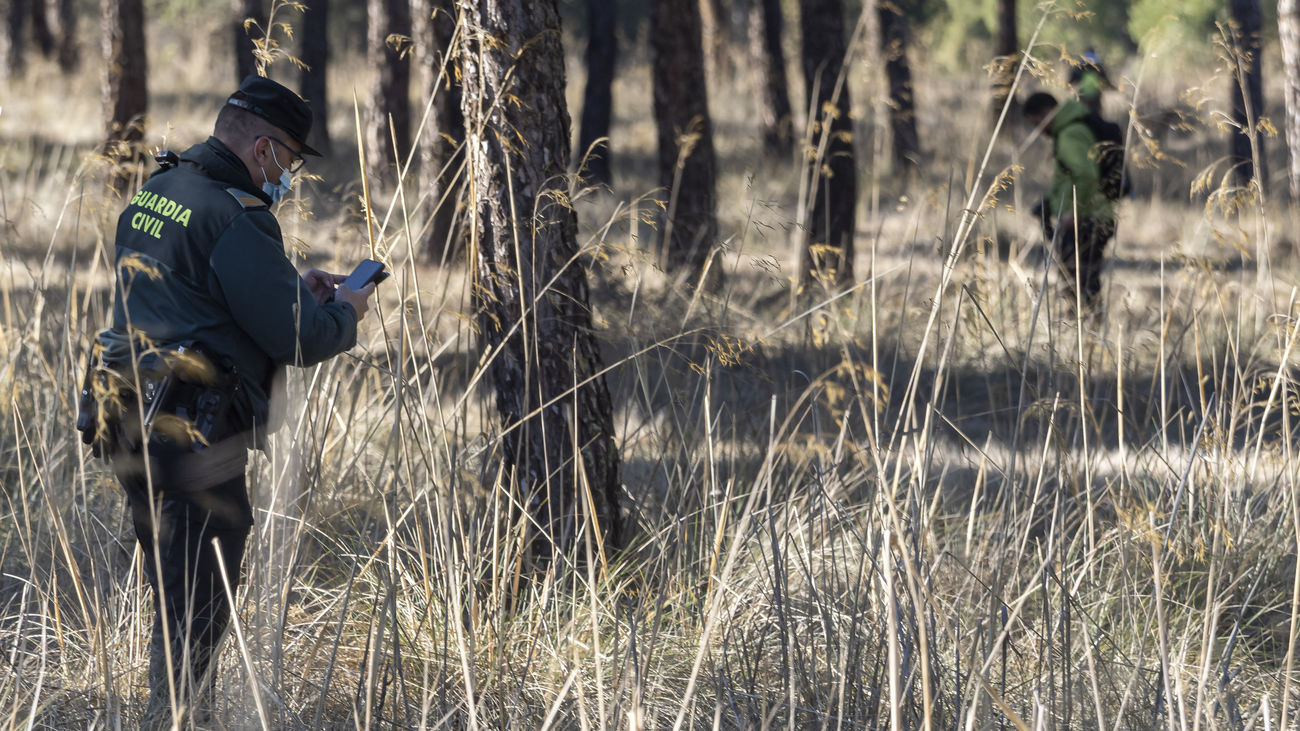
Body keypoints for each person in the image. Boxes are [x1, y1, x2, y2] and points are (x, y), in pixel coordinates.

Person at [87, 75, 375, 728]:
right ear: (266, 148)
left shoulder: (159, 192)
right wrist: (348, 310)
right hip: (196, 434)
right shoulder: (238, 217)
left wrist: (287, 284)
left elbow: (190, 296)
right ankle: (179, 717)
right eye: (292, 160)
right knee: (201, 596)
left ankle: (174, 711)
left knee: (172, 584)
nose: (290, 176)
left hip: (127, 415)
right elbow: (302, 337)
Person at [1022, 90, 1116, 309]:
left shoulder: (1071, 134)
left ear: (1046, 112)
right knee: (1077, 283)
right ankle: (1084, 329)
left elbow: (1086, 176)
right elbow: (1070, 178)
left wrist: (1073, 213)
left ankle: (1088, 332)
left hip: (1086, 220)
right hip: (1089, 217)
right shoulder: (1070, 130)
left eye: (1036, 122)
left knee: (1081, 285)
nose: (1038, 130)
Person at [1068, 48, 1110, 116]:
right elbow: (1106, 81)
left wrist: (1069, 85)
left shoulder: (1081, 65)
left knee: (1079, 114)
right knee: (1096, 116)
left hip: (1082, 94)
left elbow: (1072, 80)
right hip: (1095, 95)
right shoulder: (1098, 65)